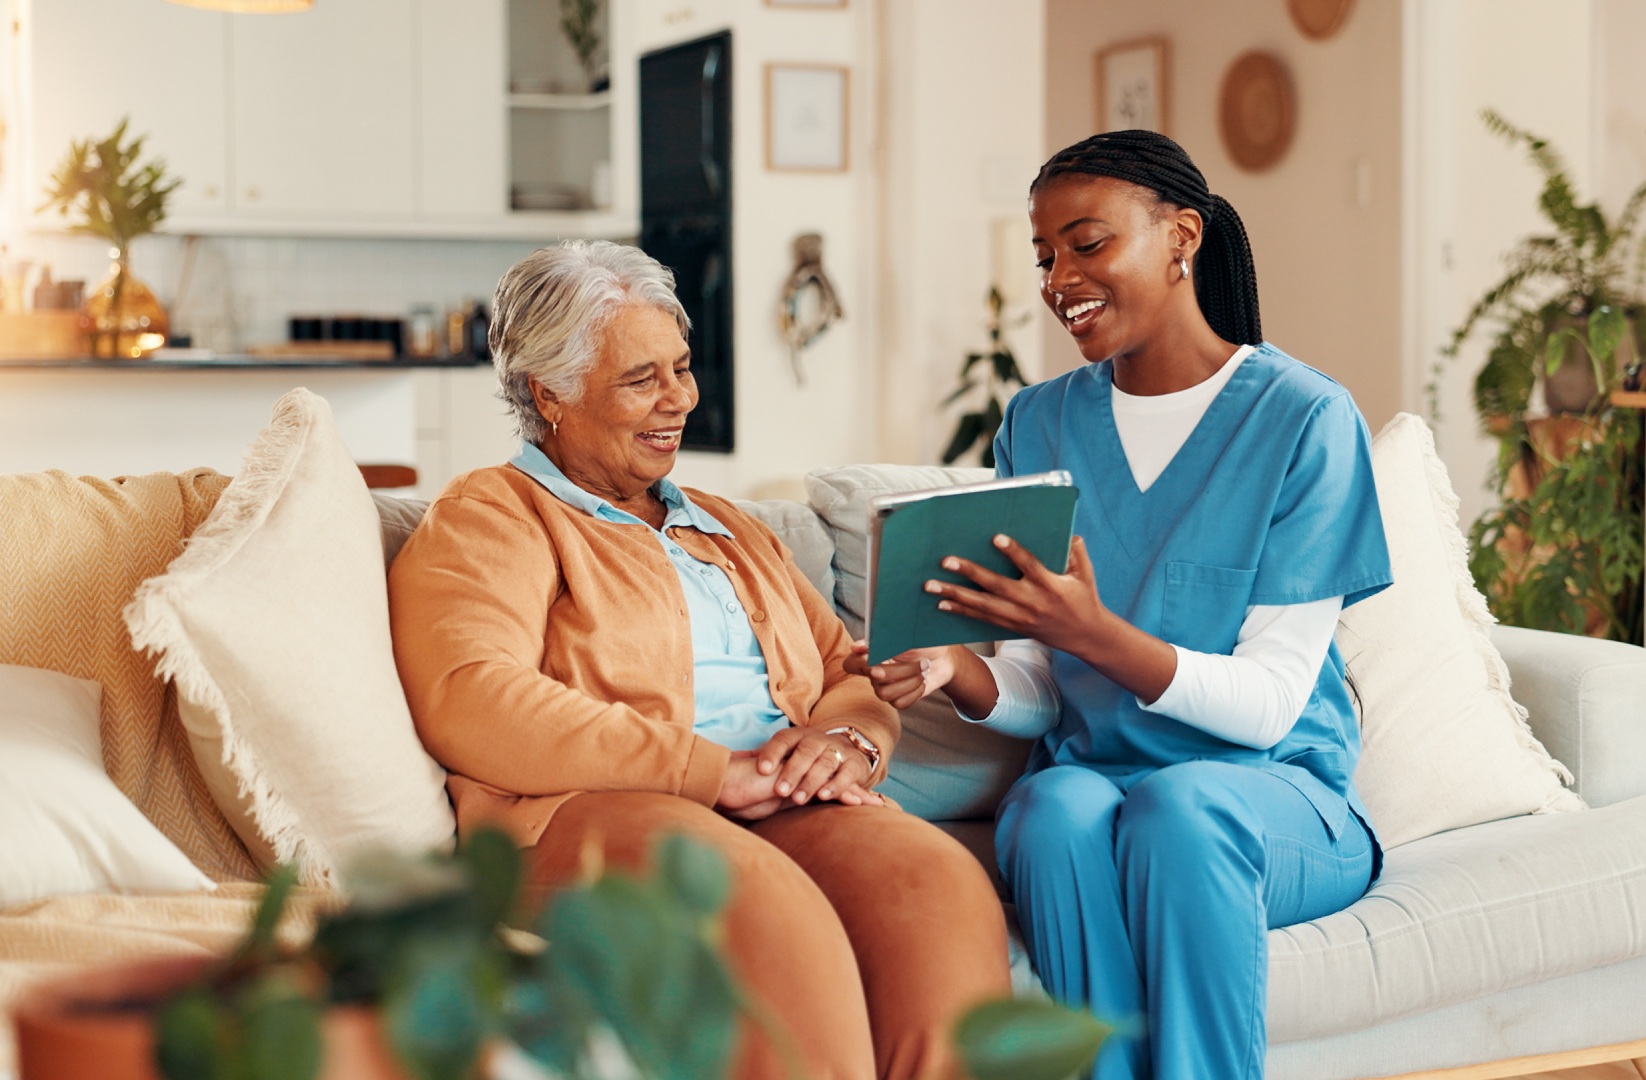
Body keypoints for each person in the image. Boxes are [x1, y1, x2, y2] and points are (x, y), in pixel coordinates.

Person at [388, 240, 1010, 1080]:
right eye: (641, 380)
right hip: (588, 810)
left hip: (777, 796)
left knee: (933, 884)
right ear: (550, 395)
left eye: (681, 369)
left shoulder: (728, 528)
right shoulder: (496, 512)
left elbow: (842, 674)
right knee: (755, 902)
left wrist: (849, 746)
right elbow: (472, 697)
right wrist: (710, 772)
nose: (679, 398)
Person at [849, 131, 1392, 1080]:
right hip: (1099, 785)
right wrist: (958, 670)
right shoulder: (1039, 421)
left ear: (1181, 237)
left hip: (1272, 799)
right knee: (1050, 807)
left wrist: (1095, 633)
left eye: (1087, 243)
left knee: (1179, 812)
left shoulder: (1306, 419)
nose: (1059, 278)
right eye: (1045, 255)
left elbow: (1269, 705)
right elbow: (1046, 687)